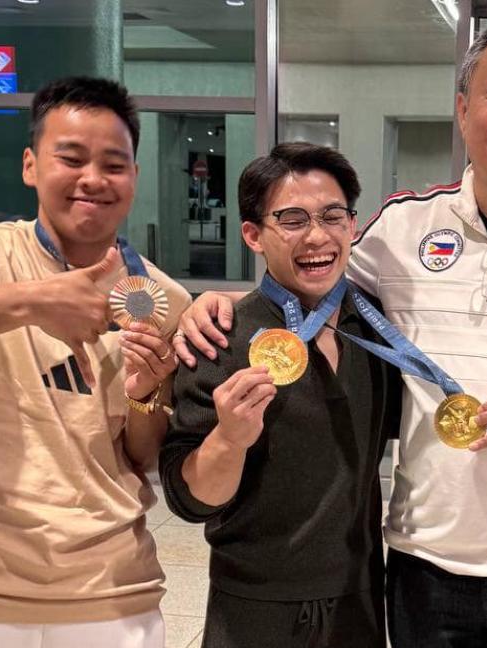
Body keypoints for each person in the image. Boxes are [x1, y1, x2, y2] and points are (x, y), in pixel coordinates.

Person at [176, 17, 487, 647]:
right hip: (423, 561)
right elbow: (316, 275)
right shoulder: (402, 226)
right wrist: (217, 301)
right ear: (463, 108)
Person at [0, 77, 191, 648]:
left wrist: (144, 392)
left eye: (114, 164)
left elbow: (141, 455)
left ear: (133, 176)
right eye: (71, 158)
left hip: (110, 593)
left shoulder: (160, 298)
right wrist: (30, 302)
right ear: (31, 165)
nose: (93, 180)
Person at [160, 142, 401, 648]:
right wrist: (229, 439)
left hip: (358, 593)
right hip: (254, 602)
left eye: (333, 216)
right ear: (253, 234)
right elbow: (189, 500)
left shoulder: (382, 329)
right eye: (291, 220)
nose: (318, 236)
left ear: (353, 226)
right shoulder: (219, 338)